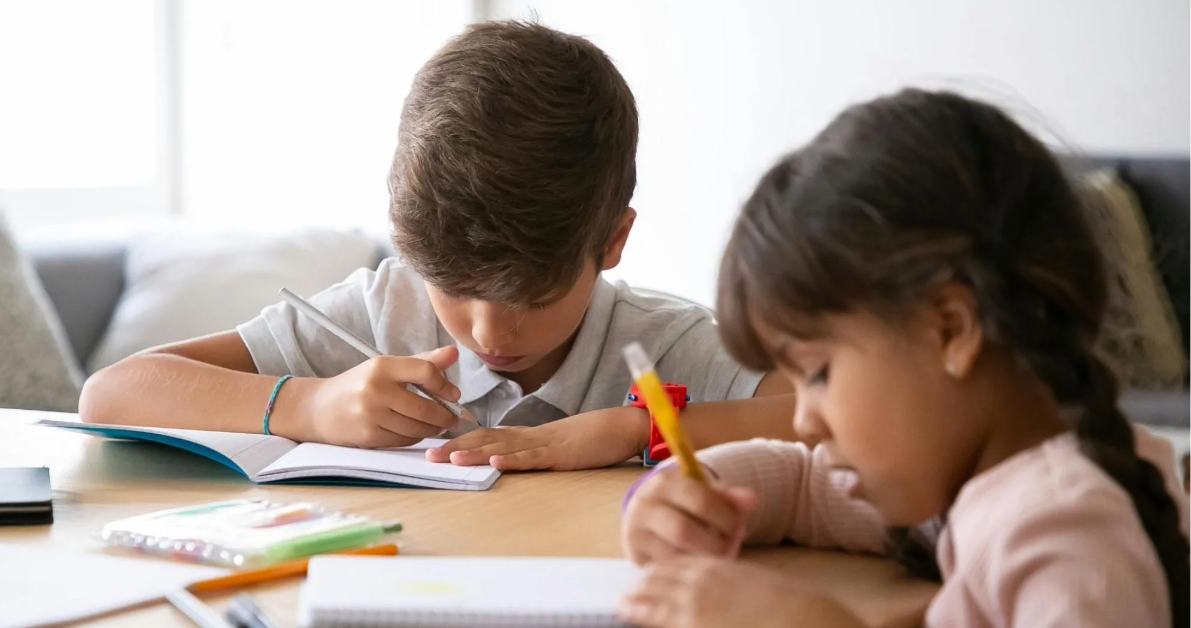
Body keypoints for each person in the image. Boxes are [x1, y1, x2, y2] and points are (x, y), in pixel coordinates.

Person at [79, 21, 795, 471]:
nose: (489, 334)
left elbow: (825, 419)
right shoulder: (381, 313)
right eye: (453, 286)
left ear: (612, 241)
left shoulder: (664, 345)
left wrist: (635, 428)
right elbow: (111, 393)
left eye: (533, 297)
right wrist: (309, 404)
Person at [619, 89, 1191, 627]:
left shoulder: (1065, 532)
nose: (804, 420)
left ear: (950, 330)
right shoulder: (968, 480)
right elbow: (802, 485)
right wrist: (688, 493)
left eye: (819, 374)